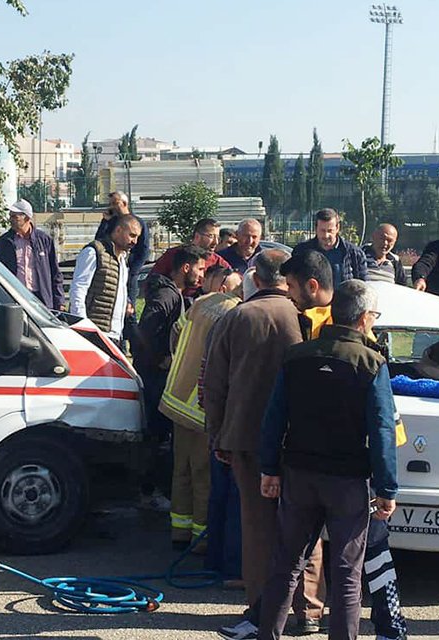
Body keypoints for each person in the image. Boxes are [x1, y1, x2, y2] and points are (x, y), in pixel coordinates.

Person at [256, 279, 399, 640]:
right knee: (347, 572)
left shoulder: (298, 356)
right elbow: (382, 429)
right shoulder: (371, 363)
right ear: (365, 318)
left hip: (299, 474)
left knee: (286, 565)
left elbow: (274, 418)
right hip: (348, 481)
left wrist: (269, 468)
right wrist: (386, 488)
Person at [203, 249, 323, 639]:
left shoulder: (235, 317)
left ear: (255, 277)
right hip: (299, 440)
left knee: (257, 529)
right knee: (305, 525)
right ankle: (310, 611)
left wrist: (217, 434)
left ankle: (262, 610)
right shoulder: (304, 318)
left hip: (247, 438)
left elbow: (214, 386)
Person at [161, 264, 242, 549]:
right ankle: (201, 539)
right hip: (199, 407)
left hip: (175, 397)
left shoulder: (201, 303)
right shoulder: (234, 313)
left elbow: (175, 334)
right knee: (202, 474)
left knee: (180, 469)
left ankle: (179, 532)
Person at [134, 245, 209, 512]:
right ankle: (149, 491)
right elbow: (144, 332)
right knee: (158, 436)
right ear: (186, 268)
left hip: (158, 375)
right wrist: (160, 359)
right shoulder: (166, 296)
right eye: (200, 269)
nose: (202, 275)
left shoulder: (174, 294)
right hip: (155, 378)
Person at [69, 214, 141, 342]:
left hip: (115, 334)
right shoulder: (94, 252)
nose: (135, 241)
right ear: (118, 230)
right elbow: (78, 289)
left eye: (137, 237)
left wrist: (126, 303)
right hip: (94, 332)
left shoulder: (123, 260)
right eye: (132, 235)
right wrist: (82, 325)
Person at [0, 199, 64, 310]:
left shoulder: (44, 240)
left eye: (14, 217)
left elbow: (55, 273)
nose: (10, 220)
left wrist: (60, 301)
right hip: (14, 298)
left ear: (26, 217)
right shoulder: (4, 242)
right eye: (10, 216)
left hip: (41, 299)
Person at [94, 191, 150, 310]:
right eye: (110, 204)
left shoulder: (138, 223)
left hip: (129, 270)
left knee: (129, 309)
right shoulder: (111, 222)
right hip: (112, 268)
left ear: (124, 203)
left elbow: (144, 249)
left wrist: (133, 270)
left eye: (115, 203)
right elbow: (98, 241)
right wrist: (105, 221)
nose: (112, 207)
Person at [294, 208, 368, 286]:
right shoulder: (301, 252)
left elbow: (362, 287)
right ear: (315, 228)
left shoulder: (355, 253)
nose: (326, 235)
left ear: (337, 228)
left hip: (343, 297)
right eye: (322, 230)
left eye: (330, 231)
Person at [150, 218, 231, 288]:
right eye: (211, 236)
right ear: (197, 236)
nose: (216, 242)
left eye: (218, 238)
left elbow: (232, 277)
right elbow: (153, 280)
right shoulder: (174, 254)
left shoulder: (217, 261)